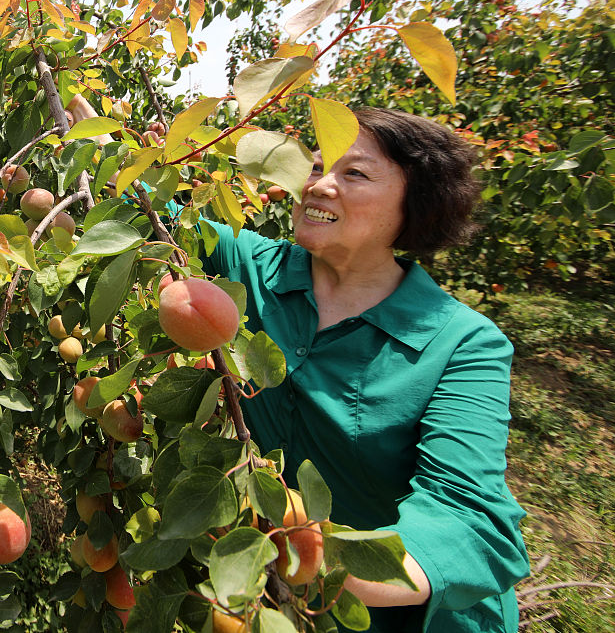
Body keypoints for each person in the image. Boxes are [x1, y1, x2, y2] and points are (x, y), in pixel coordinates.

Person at [199, 108, 530, 632]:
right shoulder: (255, 268)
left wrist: (315, 560)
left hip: (408, 617)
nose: (320, 185)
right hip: (285, 600)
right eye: (314, 167)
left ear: (413, 205)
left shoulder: (464, 344)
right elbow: (147, 207)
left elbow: (469, 515)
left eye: (354, 173)